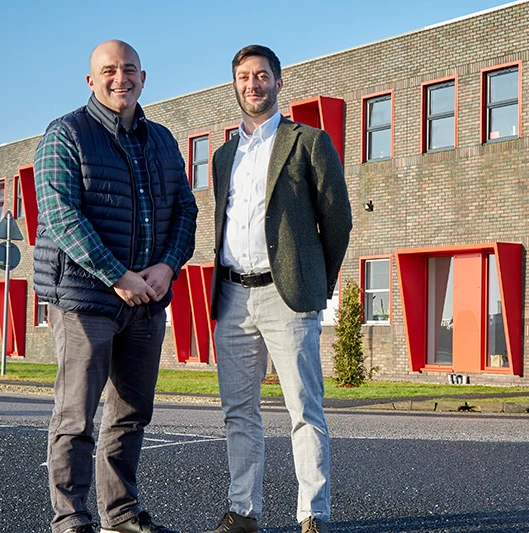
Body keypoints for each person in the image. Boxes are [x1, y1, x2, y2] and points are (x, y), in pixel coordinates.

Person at [33, 39, 197, 533]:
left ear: (143, 78)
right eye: (108, 70)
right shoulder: (65, 135)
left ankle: (120, 515)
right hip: (85, 299)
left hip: (146, 301)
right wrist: (118, 275)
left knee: (131, 413)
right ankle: (71, 520)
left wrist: (167, 266)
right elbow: (61, 215)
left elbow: (185, 211)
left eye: (128, 70)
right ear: (91, 80)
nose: (119, 78)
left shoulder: (163, 140)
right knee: (77, 416)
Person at [204, 45, 352, 533]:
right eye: (244, 77)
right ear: (235, 85)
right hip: (231, 296)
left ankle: (313, 513)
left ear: (278, 82)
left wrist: (315, 284)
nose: (253, 84)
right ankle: (244, 511)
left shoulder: (308, 141)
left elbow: (337, 220)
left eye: (262, 75)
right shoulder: (224, 155)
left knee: (303, 409)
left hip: (286, 296)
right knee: (238, 412)